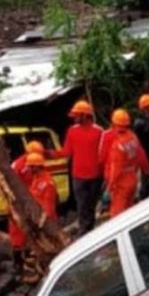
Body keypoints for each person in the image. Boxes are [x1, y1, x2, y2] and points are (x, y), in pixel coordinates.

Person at [48, 100, 104, 235]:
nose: (74, 118)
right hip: (78, 176)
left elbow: (104, 154)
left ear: (85, 116)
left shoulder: (99, 132)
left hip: (95, 176)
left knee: (90, 206)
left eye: (76, 115)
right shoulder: (72, 131)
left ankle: (88, 230)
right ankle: (84, 231)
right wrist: (50, 154)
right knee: (82, 206)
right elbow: (67, 152)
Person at [9, 152, 59, 269]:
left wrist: (41, 224)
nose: (29, 169)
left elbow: (49, 207)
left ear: (37, 166)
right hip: (36, 220)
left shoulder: (47, 183)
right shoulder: (36, 180)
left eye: (31, 166)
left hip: (45, 223)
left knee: (49, 247)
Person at [104, 109, 149, 217]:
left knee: (117, 215)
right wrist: (147, 171)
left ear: (115, 124)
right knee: (130, 212)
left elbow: (116, 169)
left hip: (121, 183)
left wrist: (108, 188)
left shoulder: (118, 145)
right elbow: (142, 156)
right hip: (133, 179)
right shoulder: (133, 137)